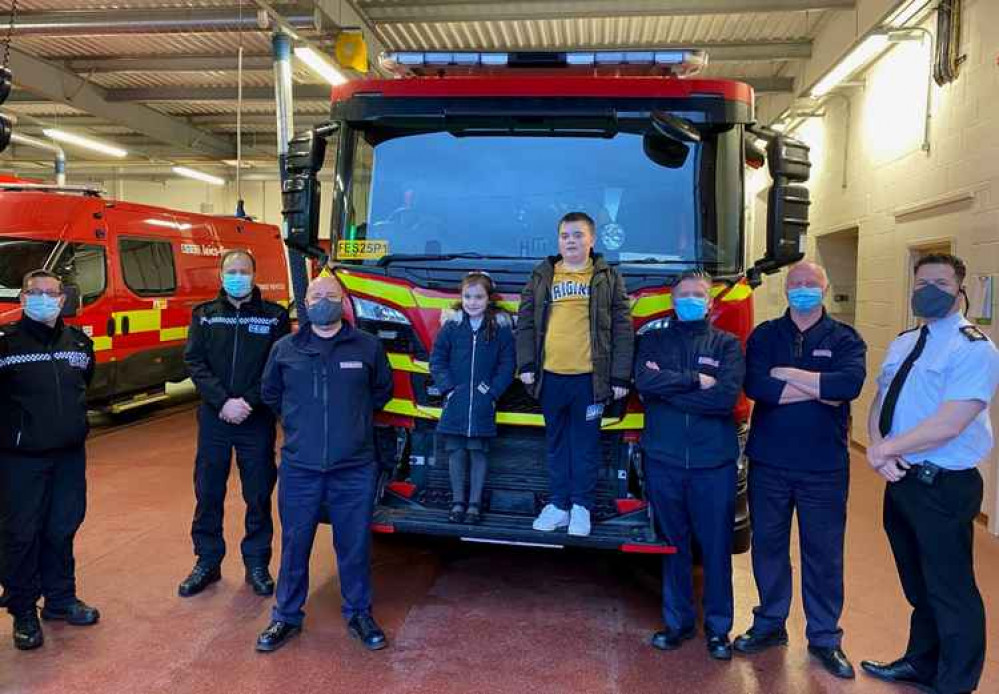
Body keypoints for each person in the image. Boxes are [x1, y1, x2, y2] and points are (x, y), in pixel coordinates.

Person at [861, 253, 999, 694]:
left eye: (939, 282)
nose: (928, 290)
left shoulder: (974, 347)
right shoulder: (905, 341)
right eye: (921, 282)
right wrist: (879, 449)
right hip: (902, 479)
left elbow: (951, 422)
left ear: (960, 290)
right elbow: (882, 398)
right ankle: (921, 664)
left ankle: (956, 684)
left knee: (950, 588)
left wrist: (886, 449)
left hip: (944, 484)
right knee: (918, 583)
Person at [734, 261, 866, 680]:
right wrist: (818, 388)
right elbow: (757, 387)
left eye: (812, 283)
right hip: (769, 462)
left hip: (823, 467)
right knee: (769, 547)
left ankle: (825, 638)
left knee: (823, 554)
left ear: (825, 289)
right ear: (785, 289)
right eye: (796, 284)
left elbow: (847, 387)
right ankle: (770, 623)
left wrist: (789, 375)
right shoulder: (766, 335)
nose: (804, 289)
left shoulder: (846, 338)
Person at [256, 275, 394, 653]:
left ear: (342, 302)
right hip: (300, 468)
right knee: (295, 544)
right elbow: (270, 394)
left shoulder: (367, 347)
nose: (323, 301)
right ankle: (285, 616)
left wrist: (351, 422)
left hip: (354, 468)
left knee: (353, 545)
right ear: (305, 301)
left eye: (331, 295)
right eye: (316, 295)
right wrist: (303, 425)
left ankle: (359, 613)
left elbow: (382, 391)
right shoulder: (285, 348)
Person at [634, 271, 745, 660]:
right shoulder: (653, 339)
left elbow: (724, 400)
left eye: (699, 294)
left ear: (711, 302)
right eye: (684, 295)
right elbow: (644, 383)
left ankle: (718, 629)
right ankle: (678, 624)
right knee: (673, 546)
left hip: (713, 464)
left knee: (715, 548)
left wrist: (671, 392)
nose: (692, 300)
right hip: (663, 460)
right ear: (672, 299)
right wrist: (696, 380)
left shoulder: (727, 345)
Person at [178, 250, 290, 598]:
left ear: (255, 274)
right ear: (221, 274)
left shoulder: (274, 317)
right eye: (231, 271)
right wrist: (222, 401)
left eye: (244, 271)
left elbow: (277, 368)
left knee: (257, 493)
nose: (238, 276)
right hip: (215, 418)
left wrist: (249, 401)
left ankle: (257, 562)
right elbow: (194, 362)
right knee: (208, 491)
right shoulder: (205, 316)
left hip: (255, 420)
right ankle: (207, 562)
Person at [516, 211, 634, 537]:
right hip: (551, 378)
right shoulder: (542, 275)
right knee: (555, 444)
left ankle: (581, 508)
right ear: (558, 240)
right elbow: (525, 323)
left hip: (589, 381)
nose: (571, 240)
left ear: (592, 240)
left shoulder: (608, 277)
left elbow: (623, 329)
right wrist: (526, 365)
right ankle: (559, 505)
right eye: (566, 235)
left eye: (578, 235)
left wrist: (620, 376)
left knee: (585, 445)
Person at [0, 270, 98, 650]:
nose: (44, 299)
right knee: (21, 534)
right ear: (23, 299)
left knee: (62, 528)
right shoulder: (6, 343)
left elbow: (84, 383)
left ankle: (60, 599)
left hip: (69, 456)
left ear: (62, 299)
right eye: (35, 292)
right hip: (20, 459)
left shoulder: (78, 342)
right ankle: (23, 609)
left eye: (51, 293)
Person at [429, 272, 515, 525]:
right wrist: (448, 388)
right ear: (461, 298)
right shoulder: (451, 327)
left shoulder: (499, 330)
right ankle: (457, 503)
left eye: (478, 297)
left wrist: (491, 391)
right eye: (467, 296)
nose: (472, 302)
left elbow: (507, 364)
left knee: (478, 452)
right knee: (456, 451)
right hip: (455, 401)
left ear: (489, 299)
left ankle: (474, 505)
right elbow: (437, 359)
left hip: (481, 402)